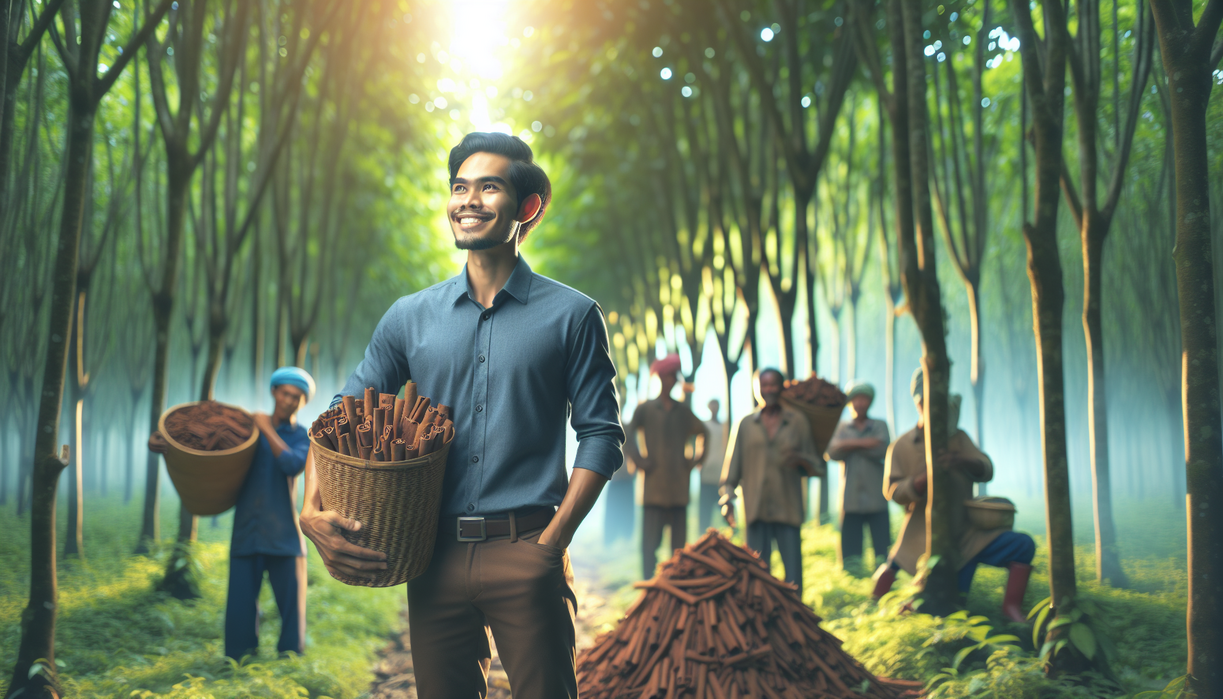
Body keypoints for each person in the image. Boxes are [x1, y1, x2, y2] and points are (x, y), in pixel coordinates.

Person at [299, 132, 624, 698]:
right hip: (433, 557)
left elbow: (600, 435)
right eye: (459, 187)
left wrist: (551, 545)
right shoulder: (408, 317)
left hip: (529, 546)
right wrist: (311, 508)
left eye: (488, 187)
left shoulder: (572, 315)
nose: (468, 200)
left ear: (528, 207)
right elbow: (339, 416)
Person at [150, 367, 314, 659]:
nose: (289, 399)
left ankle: (290, 658)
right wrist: (165, 446)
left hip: (285, 535)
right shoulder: (246, 432)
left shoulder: (303, 437)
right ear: (274, 392)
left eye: (297, 396)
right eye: (285, 392)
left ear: (304, 402)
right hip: (247, 531)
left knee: (292, 607)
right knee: (240, 604)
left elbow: (291, 464)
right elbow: (207, 448)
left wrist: (266, 428)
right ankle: (239, 658)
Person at [871, 369, 1034, 622]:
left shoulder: (959, 438)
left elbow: (986, 468)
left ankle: (1011, 609)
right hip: (923, 534)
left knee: (1022, 546)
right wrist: (923, 480)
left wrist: (961, 460)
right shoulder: (901, 445)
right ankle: (881, 608)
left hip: (967, 533)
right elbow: (893, 492)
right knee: (906, 571)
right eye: (927, 401)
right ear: (918, 403)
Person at [720, 368, 824, 593]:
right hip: (756, 511)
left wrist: (801, 460)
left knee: (793, 579)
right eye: (763, 385)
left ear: (782, 387)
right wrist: (727, 499)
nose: (768, 390)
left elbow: (817, 466)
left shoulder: (797, 421)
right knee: (756, 577)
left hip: (788, 509)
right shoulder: (745, 424)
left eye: (773, 385)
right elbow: (730, 475)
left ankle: (797, 623)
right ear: (756, 389)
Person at [623, 354, 708, 579]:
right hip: (653, 490)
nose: (671, 380)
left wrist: (694, 461)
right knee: (649, 546)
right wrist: (639, 460)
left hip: (679, 490)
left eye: (674, 376)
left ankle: (676, 586)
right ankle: (649, 587)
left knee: (679, 549)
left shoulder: (683, 411)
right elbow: (627, 435)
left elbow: (703, 433)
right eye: (668, 376)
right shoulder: (646, 409)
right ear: (660, 378)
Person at [826, 381, 891, 575]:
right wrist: (866, 443)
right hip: (851, 499)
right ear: (850, 403)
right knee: (850, 551)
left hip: (877, 497)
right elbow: (832, 451)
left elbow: (883, 448)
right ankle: (853, 580)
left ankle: (884, 581)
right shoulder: (842, 427)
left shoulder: (880, 425)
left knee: (882, 548)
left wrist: (849, 445)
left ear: (870, 401)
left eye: (864, 399)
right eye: (856, 399)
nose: (860, 403)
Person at [697, 398, 728, 532]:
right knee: (705, 512)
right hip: (707, 474)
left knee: (725, 508)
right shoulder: (704, 426)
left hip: (721, 475)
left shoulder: (725, 427)